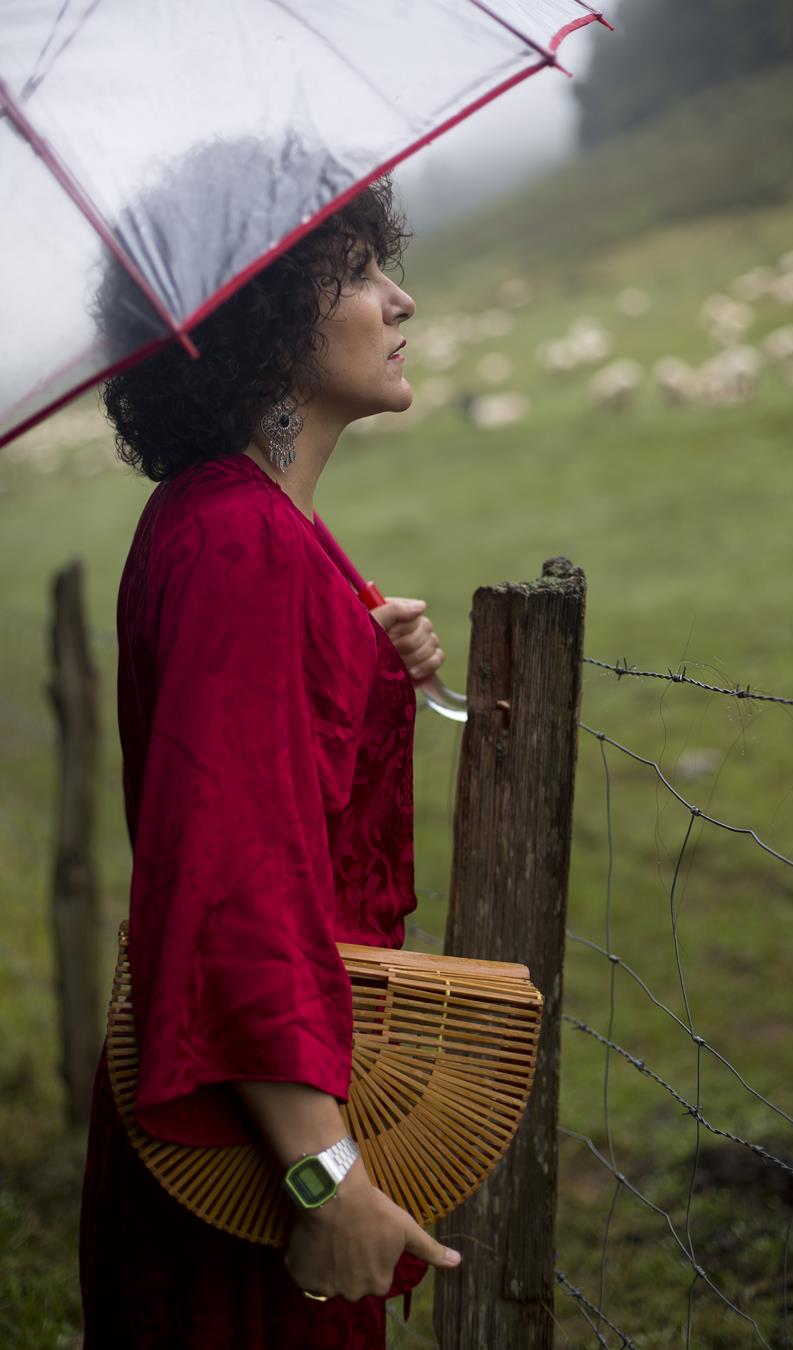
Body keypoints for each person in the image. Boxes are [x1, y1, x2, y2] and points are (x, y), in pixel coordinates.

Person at [79, 156, 461, 1348]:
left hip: (259, 1106)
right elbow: (235, 881)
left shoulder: (239, 523)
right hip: (255, 1149)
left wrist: (366, 660)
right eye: (356, 272)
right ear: (258, 312)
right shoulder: (242, 546)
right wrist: (325, 1176)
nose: (400, 301)